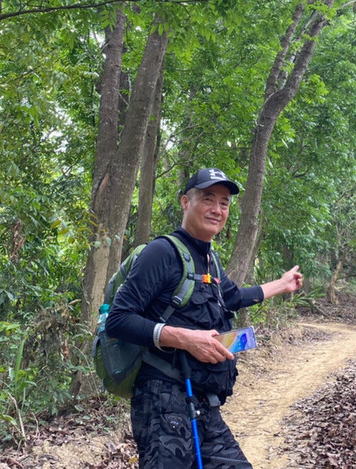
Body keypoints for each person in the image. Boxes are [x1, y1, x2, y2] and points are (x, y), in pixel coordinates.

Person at [105, 167, 303, 468]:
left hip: (202, 404)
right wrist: (185, 339)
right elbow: (118, 319)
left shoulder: (210, 259)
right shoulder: (162, 252)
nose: (217, 209)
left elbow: (233, 298)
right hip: (161, 402)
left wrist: (282, 284)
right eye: (208, 199)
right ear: (186, 202)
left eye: (224, 203)